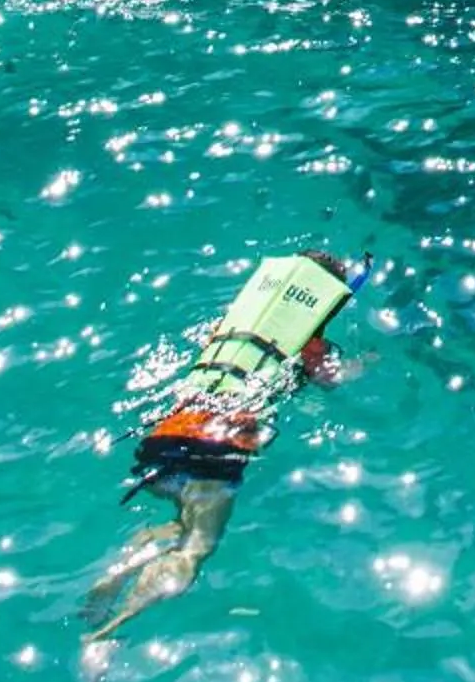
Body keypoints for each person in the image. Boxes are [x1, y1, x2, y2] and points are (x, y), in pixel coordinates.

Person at [77, 250, 370, 653]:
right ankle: (103, 636)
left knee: (180, 526)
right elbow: (333, 380)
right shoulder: (310, 344)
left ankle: (110, 580)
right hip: (216, 444)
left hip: (167, 433)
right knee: (196, 549)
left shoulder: (233, 329)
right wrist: (366, 362)